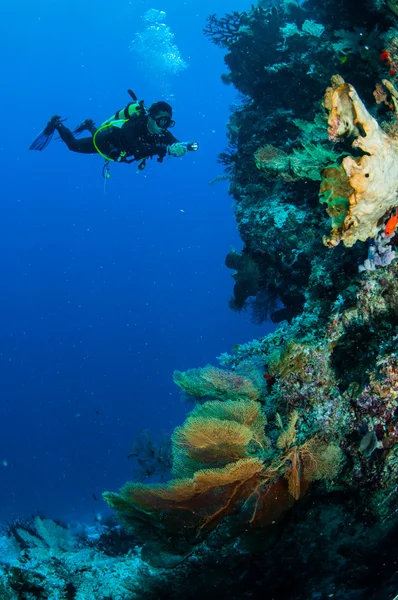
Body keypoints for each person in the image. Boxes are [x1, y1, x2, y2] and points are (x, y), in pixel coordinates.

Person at [29, 93, 198, 171]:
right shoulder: (135, 126)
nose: (164, 126)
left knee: (92, 132)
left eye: (168, 122)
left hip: (118, 150)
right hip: (106, 141)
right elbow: (138, 149)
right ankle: (56, 123)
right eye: (161, 121)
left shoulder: (162, 132)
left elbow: (172, 141)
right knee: (73, 145)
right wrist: (166, 150)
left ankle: (88, 124)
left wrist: (181, 146)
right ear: (151, 117)